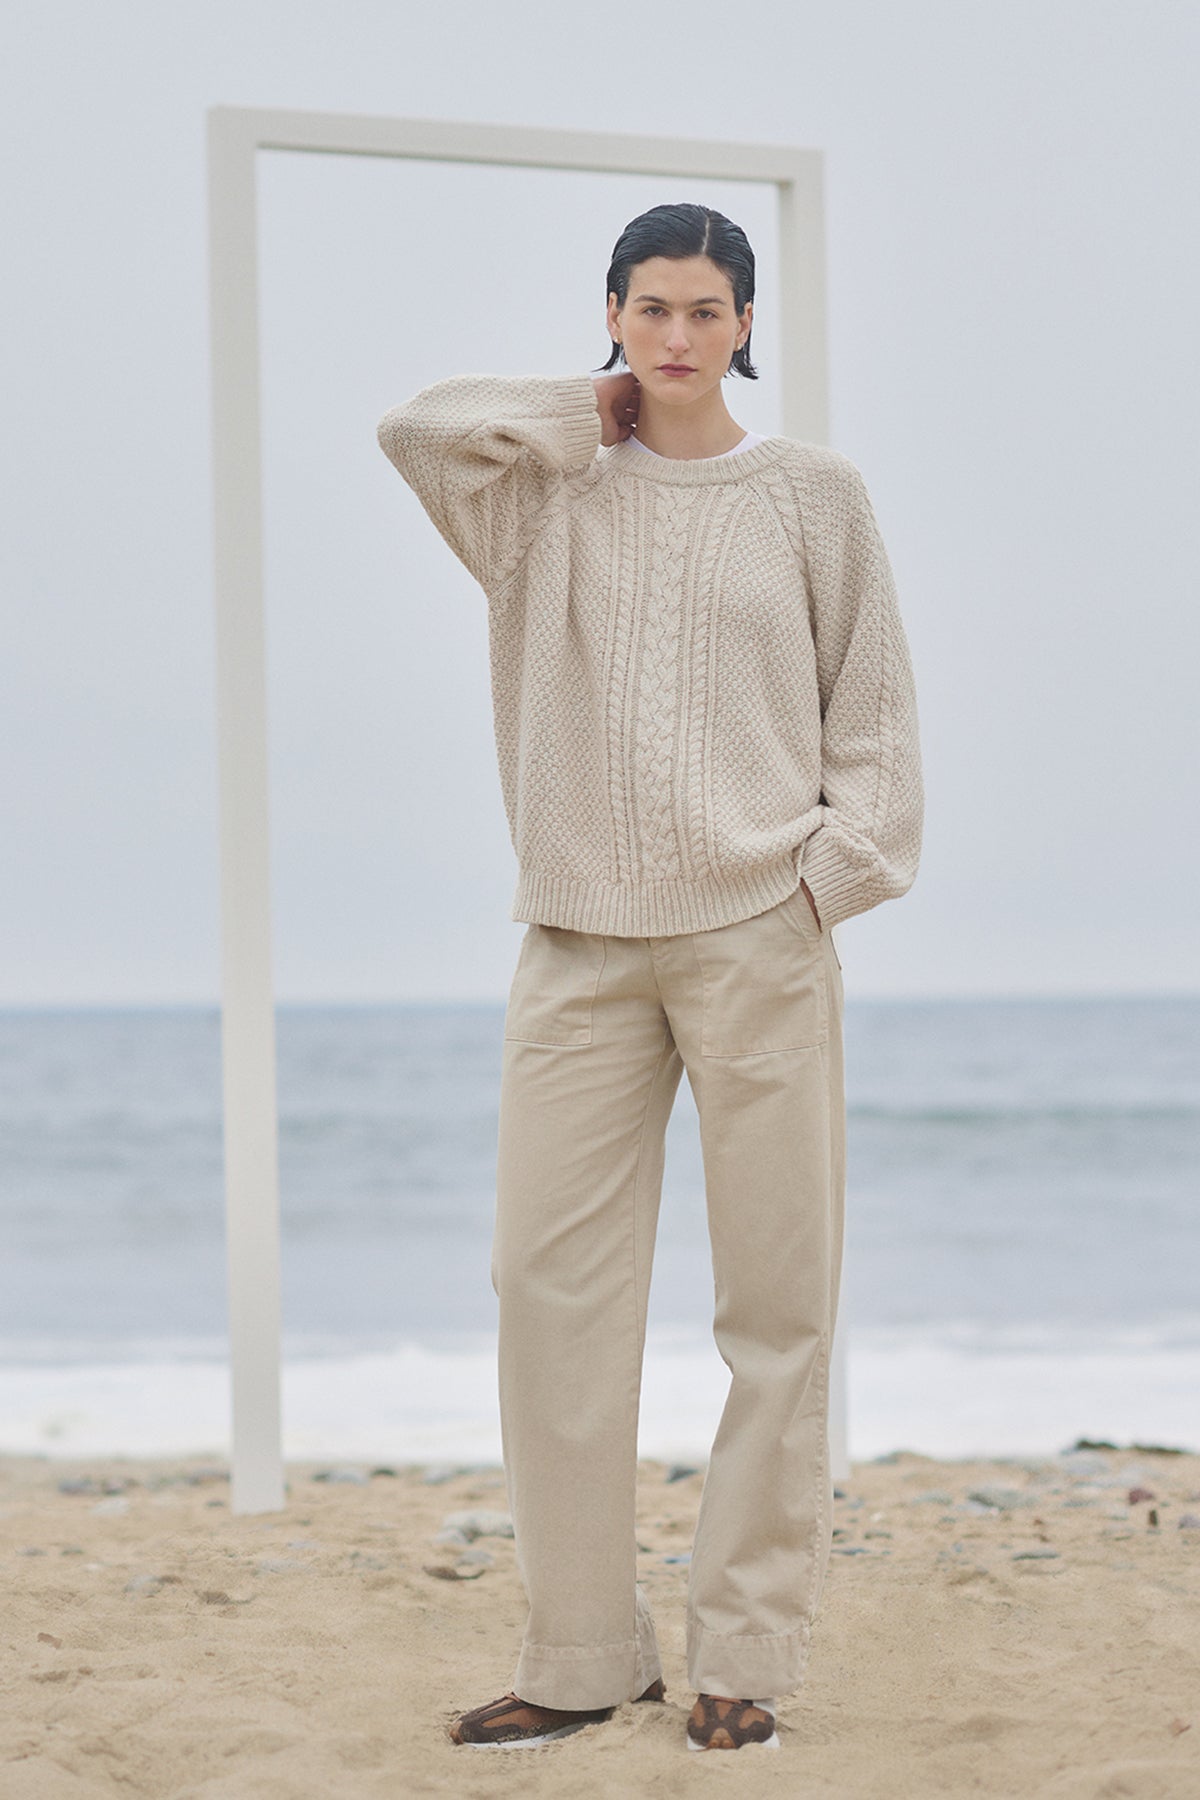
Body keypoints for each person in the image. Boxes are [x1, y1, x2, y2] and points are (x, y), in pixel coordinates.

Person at [376, 201, 923, 1754]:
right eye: (651, 310)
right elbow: (414, 433)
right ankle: (579, 1654)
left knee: (775, 1304)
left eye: (706, 311)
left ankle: (744, 1650)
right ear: (610, 318)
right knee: (545, 1292)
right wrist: (586, 412)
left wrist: (822, 885)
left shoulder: (817, 498)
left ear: (749, 324)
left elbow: (874, 723)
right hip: (577, 941)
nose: (680, 337)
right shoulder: (539, 499)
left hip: (760, 934)